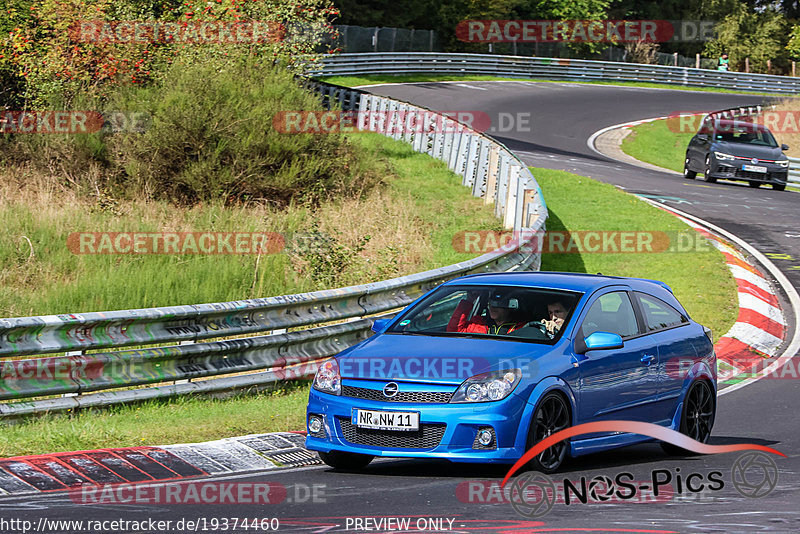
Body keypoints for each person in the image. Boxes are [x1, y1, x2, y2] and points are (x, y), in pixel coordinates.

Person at [446, 290, 527, 335]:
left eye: (498, 304)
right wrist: (469, 301)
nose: (493, 307)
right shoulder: (478, 324)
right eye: (491, 303)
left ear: (511, 306)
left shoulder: (522, 329)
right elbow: (453, 332)